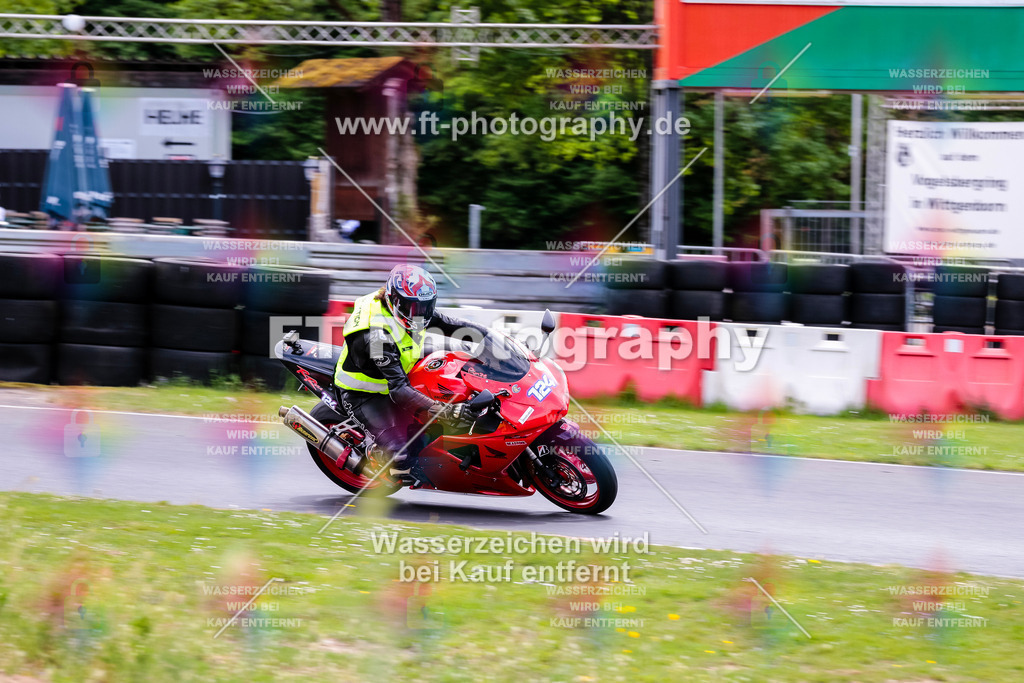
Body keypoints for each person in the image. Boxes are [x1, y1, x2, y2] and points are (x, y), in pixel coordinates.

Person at [322, 264, 487, 477]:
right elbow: (399, 390)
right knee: (401, 458)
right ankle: (373, 454)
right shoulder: (376, 338)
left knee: (457, 358)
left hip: (398, 364)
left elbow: (450, 324)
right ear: (393, 300)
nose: (420, 315)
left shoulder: (410, 308)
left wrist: (492, 339)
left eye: (425, 307)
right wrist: (446, 411)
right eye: (413, 308)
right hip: (364, 394)